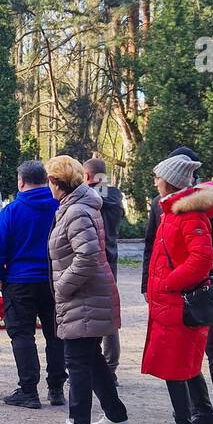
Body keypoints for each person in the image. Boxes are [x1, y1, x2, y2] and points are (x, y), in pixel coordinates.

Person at [141, 146, 213, 424]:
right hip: (175, 293)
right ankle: (201, 409)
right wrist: (149, 286)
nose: (155, 181)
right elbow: (153, 246)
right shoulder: (159, 204)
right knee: (182, 351)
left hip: (204, 290)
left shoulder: (206, 204)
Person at [44, 155, 131, 424]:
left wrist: (61, 286)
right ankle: (116, 416)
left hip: (82, 295)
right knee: (91, 358)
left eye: (50, 180)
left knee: (77, 361)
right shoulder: (77, 206)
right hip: (85, 295)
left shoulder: (76, 211)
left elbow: (88, 256)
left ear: (56, 182)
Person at [141, 155, 213, 424]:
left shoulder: (189, 215)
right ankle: (206, 413)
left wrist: (168, 284)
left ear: (170, 180)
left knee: (175, 361)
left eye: (158, 177)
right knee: (184, 358)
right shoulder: (173, 211)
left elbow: (202, 259)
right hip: (171, 301)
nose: (155, 181)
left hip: (177, 300)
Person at [0, 160, 65, 409]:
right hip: (54, 280)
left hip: (20, 280)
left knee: (22, 335)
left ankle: (29, 390)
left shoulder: (13, 210)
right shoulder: (60, 205)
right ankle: (56, 388)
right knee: (56, 335)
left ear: (21, 181)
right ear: (47, 180)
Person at [84, 158, 124, 384]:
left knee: (88, 311)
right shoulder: (115, 196)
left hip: (92, 257)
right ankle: (110, 367)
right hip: (112, 258)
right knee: (109, 313)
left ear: (87, 177)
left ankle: (94, 365)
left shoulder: (87, 198)